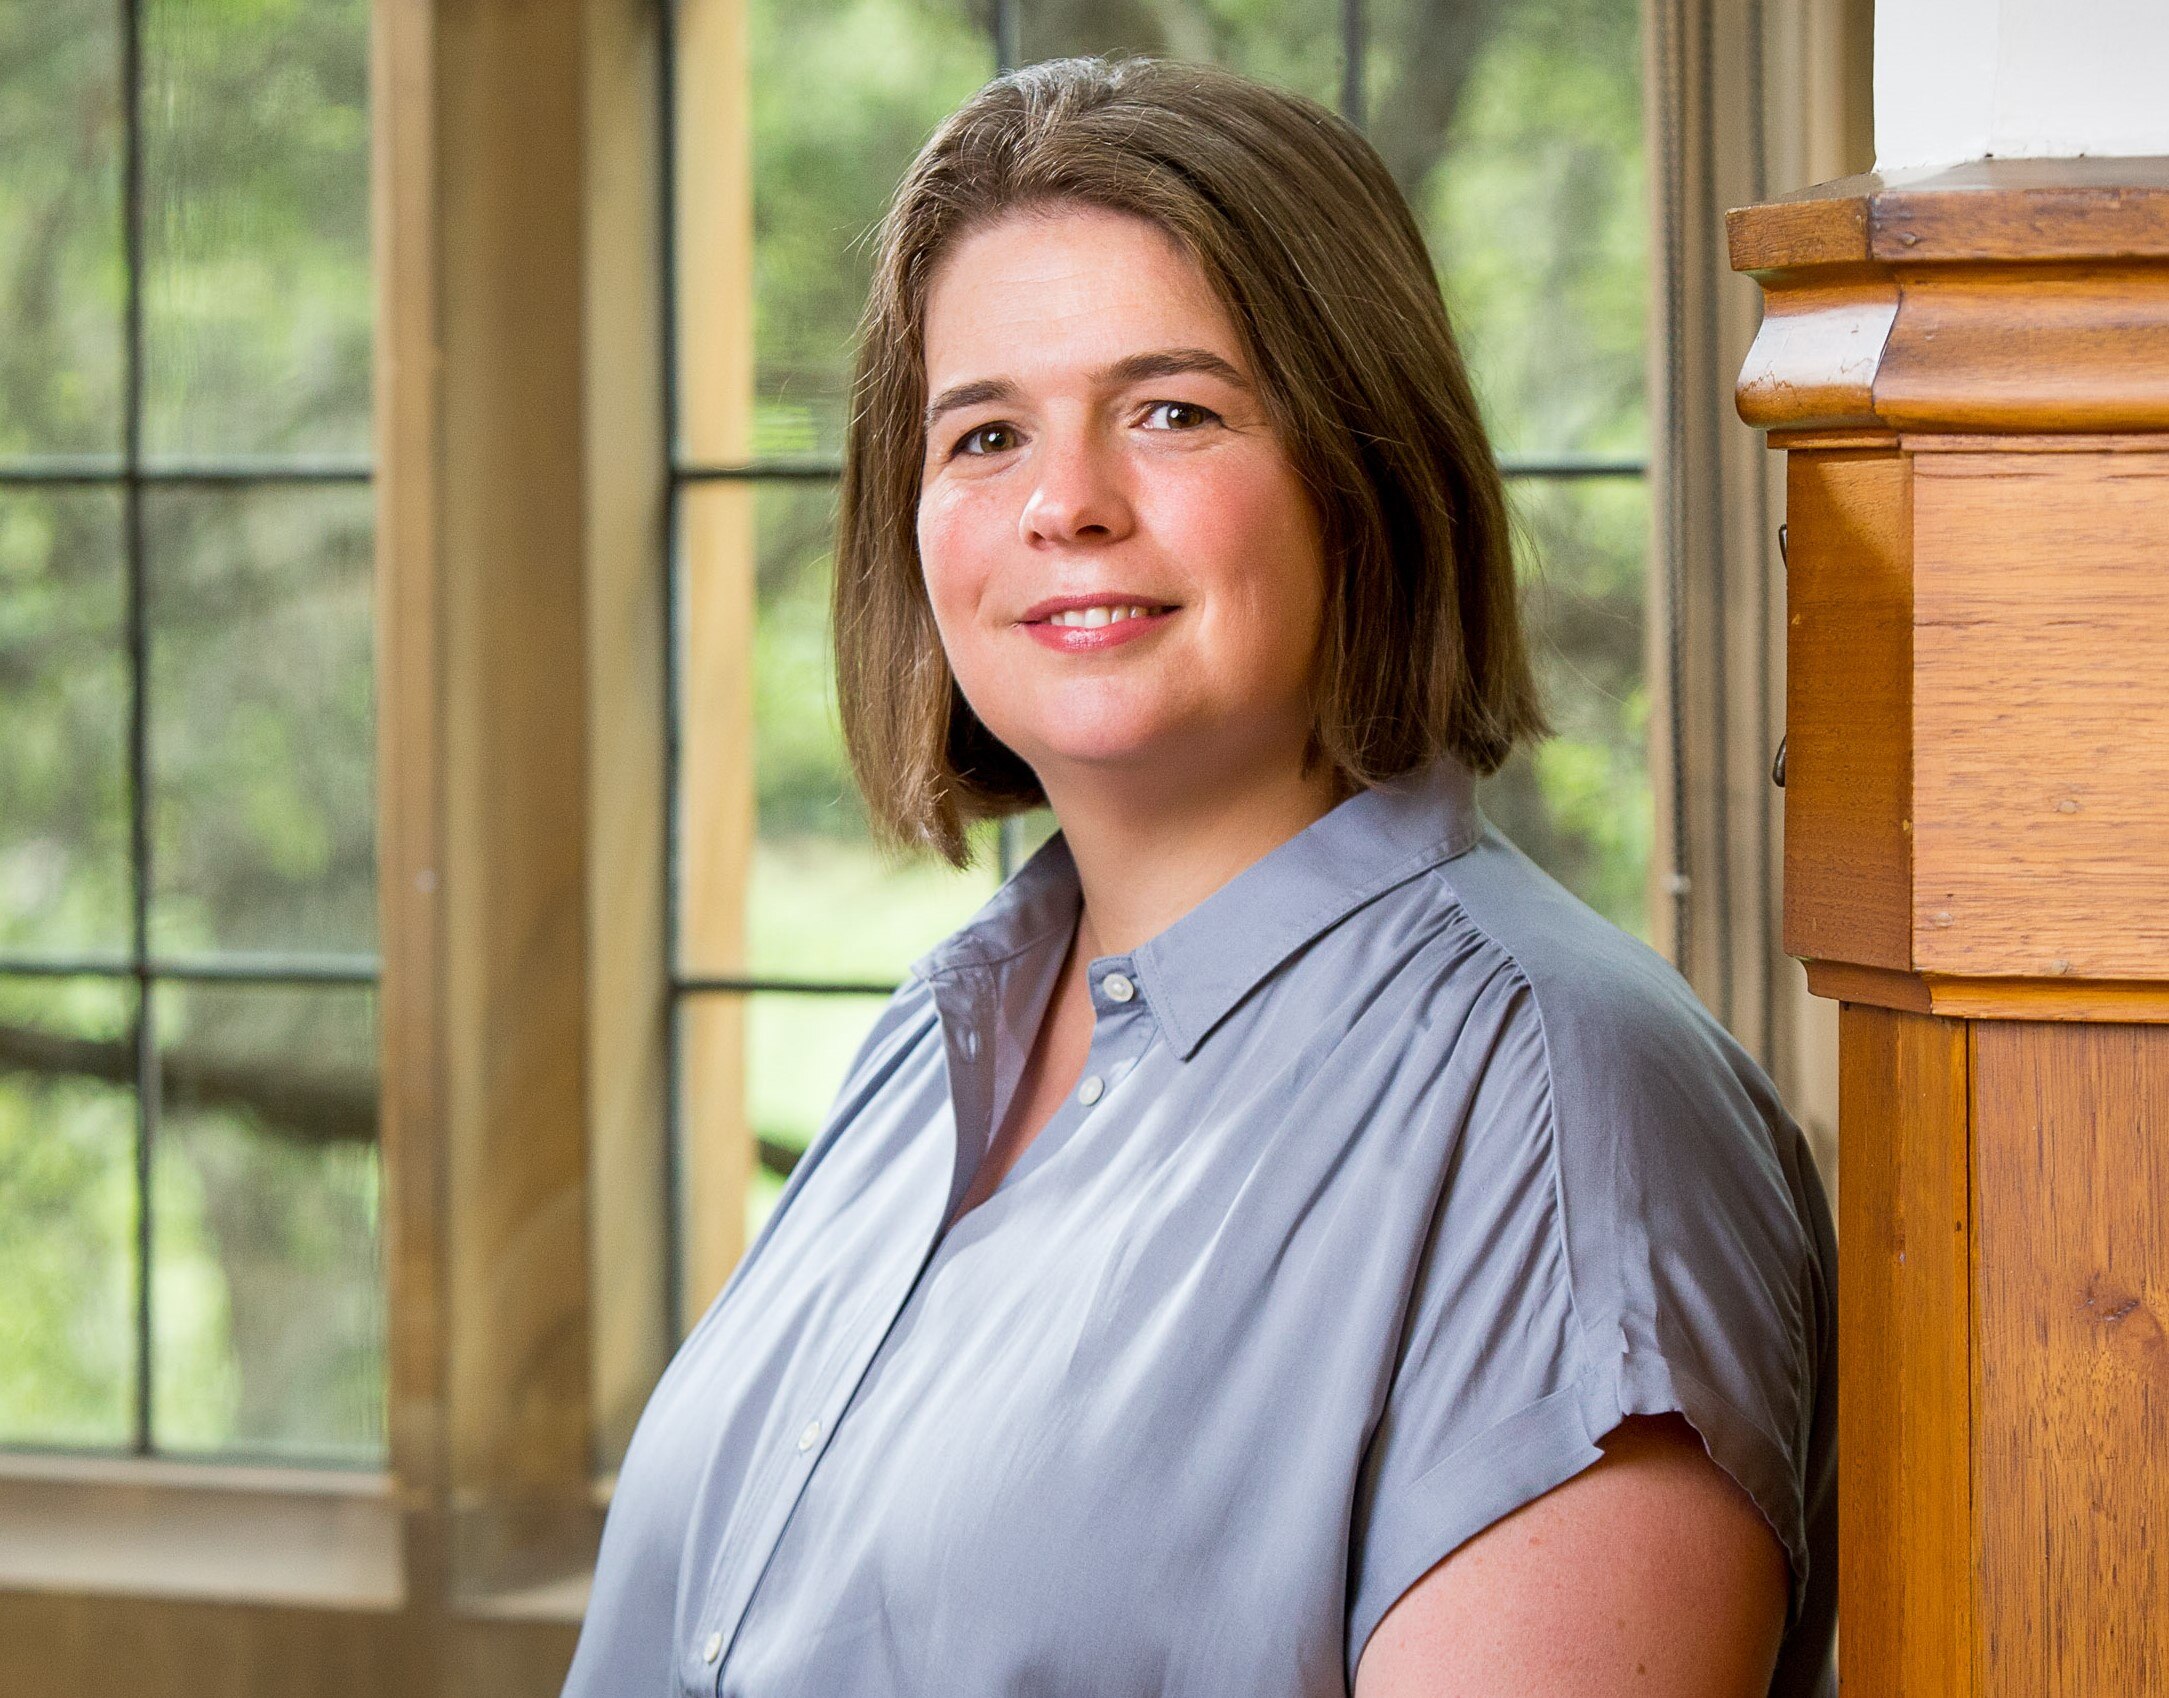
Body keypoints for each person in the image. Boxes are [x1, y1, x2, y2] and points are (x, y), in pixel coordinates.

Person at [564, 55, 1834, 1698]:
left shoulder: (1560, 1117)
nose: (1065, 503)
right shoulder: (943, 1034)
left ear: (1359, 468)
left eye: (1172, 409)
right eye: (986, 432)